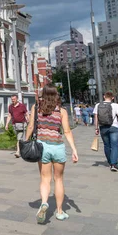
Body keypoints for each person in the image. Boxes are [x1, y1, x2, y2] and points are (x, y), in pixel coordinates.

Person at [26, 84, 78, 223]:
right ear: (56, 95)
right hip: (58, 147)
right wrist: (74, 149)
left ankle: (44, 202)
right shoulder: (61, 111)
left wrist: (25, 142)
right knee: (59, 179)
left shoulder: (36, 108)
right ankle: (60, 212)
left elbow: (31, 126)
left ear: (43, 94)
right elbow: (67, 131)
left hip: (42, 147)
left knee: (45, 179)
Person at [93, 91, 118, 171]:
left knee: (106, 145)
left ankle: (110, 162)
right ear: (112, 98)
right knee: (114, 146)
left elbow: (96, 117)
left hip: (103, 128)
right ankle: (113, 164)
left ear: (104, 96)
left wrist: (96, 128)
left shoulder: (97, 105)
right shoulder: (115, 105)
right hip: (114, 127)